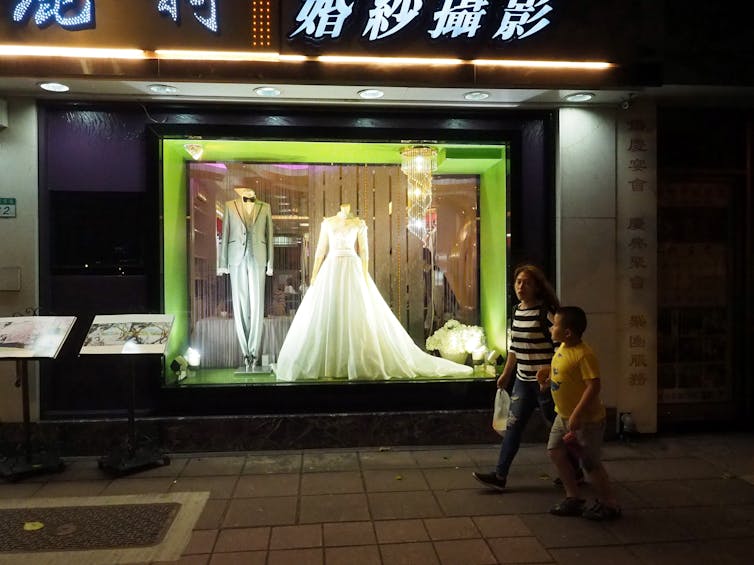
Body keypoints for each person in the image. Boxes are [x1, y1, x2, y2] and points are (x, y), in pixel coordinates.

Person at [274, 203, 473, 381]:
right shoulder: (328, 223)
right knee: (329, 313)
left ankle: (355, 361)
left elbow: (365, 253)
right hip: (331, 270)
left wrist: (364, 276)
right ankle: (329, 362)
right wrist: (314, 276)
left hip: (352, 268)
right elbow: (320, 251)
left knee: (356, 314)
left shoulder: (358, 223)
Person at [473, 264, 580, 491]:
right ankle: (500, 475)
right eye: (518, 282)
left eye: (527, 283)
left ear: (537, 288)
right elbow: (515, 347)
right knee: (513, 427)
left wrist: (550, 373)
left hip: (547, 384)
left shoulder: (546, 314)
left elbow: (562, 348)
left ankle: (575, 470)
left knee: (558, 427)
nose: (521, 287)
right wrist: (506, 374)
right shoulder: (517, 311)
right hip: (523, 380)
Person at [543, 306, 621, 520]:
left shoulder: (584, 355)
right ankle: (573, 497)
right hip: (563, 415)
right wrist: (549, 378)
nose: (551, 327)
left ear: (567, 332)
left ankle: (609, 503)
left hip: (587, 421)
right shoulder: (562, 348)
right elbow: (565, 373)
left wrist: (577, 414)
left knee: (590, 463)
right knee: (555, 451)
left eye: (555, 324)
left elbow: (593, 386)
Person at [218, 188, 273, 369]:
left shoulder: (265, 207)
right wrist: (222, 263)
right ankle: (244, 353)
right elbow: (225, 233)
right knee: (239, 304)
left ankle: (254, 353)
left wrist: (270, 263)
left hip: (258, 256)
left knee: (257, 305)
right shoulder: (229, 206)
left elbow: (269, 236)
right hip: (236, 258)